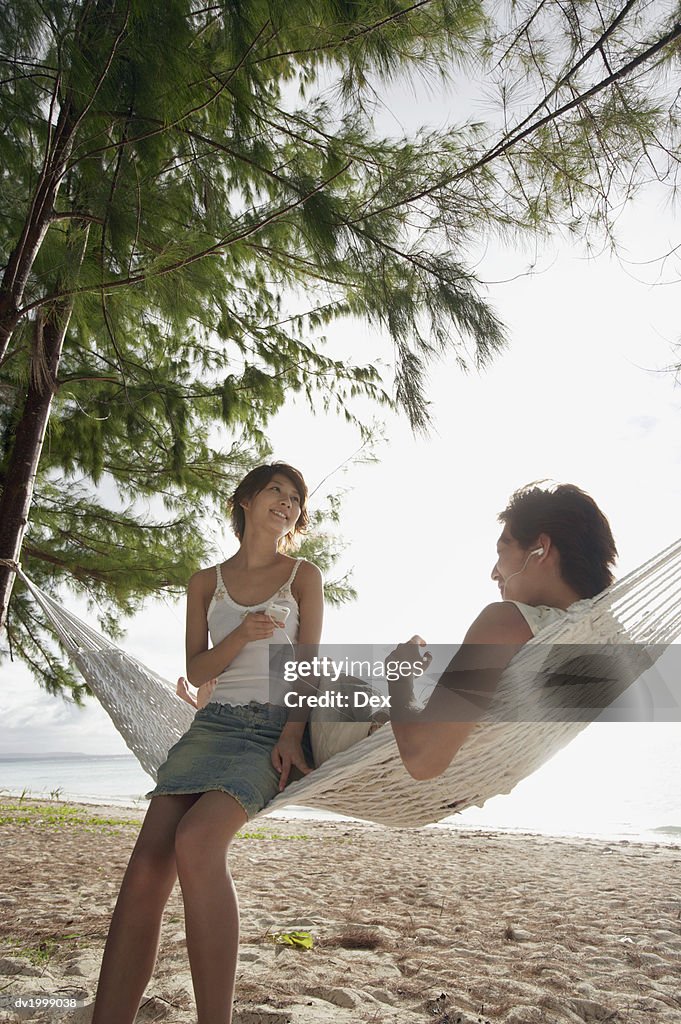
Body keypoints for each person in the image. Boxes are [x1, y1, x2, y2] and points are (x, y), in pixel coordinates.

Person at [91, 462, 324, 1024]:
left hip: (271, 730)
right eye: (277, 491)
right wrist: (242, 633)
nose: (288, 504)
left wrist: (292, 732)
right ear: (246, 499)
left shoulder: (303, 577)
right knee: (146, 867)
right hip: (210, 726)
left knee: (196, 843)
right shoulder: (205, 582)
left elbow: (309, 665)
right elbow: (197, 672)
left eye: (296, 499)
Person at [388, 483, 617, 781]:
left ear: (540, 549)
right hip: (452, 778)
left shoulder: (505, 622)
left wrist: (399, 673)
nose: (494, 573)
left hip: (355, 741)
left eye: (502, 550)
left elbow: (422, 758)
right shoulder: (608, 641)